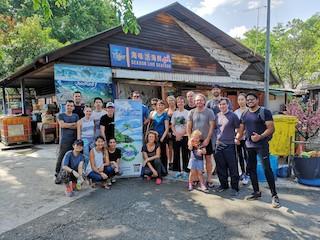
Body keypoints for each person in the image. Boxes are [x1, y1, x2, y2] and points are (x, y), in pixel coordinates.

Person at [236, 92, 280, 208]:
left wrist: (260, 136)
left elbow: (271, 129)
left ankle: (274, 195)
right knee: (251, 169)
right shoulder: (244, 113)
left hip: (262, 145)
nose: (249, 101)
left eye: (252, 99)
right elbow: (241, 129)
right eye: (248, 100)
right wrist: (237, 138)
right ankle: (256, 192)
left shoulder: (264, 112)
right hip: (249, 146)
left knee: (267, 169)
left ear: (257, 100)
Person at [187, 94, 215, 188]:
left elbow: (212, 126)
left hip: (206, 139)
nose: (199, 102)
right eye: (197, 100)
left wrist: (208, 139)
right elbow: (188, 127)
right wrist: (190, 139)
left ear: (204, 101)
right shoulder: (191, 112)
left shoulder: (209, 112)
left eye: (200, 100)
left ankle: (209, 179)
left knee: (208, 159)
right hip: (195, 140)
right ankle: (195, 179)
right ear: (195, 102)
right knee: (195, 160)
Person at [214, 98, 240, 196]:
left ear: (228, 105)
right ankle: (223, 185)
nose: (222, 106)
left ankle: (235, 187)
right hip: (219, 145)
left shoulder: (233, 116)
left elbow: (240, 127)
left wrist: (237, 137)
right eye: (220, 104)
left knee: (232, 167)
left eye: (224, 104)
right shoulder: (217, 116)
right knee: (220, 166)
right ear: (218, 106)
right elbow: (216, 129)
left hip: (230, 145)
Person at [55, 100, 79, 184]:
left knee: (72, 157)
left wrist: (67, 125)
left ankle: (69, 175)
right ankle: (57, 174)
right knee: (61, 157)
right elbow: (62, 125)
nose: (69, 107)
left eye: (71, 106)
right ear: (65, 106)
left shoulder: (76, 115)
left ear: (73, 107)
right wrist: (72, 125)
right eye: (68, 105)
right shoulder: (61, 115)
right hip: (65, 140)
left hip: (74, 140)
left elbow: (77, 126)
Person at [171, 96, 189, 178]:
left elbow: (188, 125)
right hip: (176, 136)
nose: (180, 103)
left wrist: (181, 134)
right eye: (178, 102)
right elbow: (172, 125)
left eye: (182, 102)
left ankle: (185, 170)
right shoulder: (175, 113)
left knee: (185, 154)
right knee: (176, 153)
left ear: (184, 103)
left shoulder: (187, 112)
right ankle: (177, 170)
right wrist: (176, 134)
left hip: (185, 136)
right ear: (177, 104)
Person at [150, 100, 169, 174]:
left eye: (162, 105)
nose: (160, 106)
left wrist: (162, 138)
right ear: (156, 106)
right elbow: (151, 126)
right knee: (155, 155)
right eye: (158, 105)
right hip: (154, 137)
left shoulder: (165, 115)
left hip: (162, 137)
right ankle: (156, 171)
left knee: (163, 154)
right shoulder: (153, 114)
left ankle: (164, 171)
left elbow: (167, 128)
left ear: (164, 106)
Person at [234, 93, 249, 185]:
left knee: (247, 156)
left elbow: (249, 125)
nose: (240, 101)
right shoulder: (236, 112)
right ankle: (243, 172)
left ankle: (248, 174)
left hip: (247, 138)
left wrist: (242, 133)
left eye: (242, 99)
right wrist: (237, 135)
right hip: (238, 138)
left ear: (246, 100)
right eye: (239, 100)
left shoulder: (249, 110)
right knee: (239, 156)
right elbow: (235, 125)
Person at [77, 106, 95, 170]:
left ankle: (93, 168)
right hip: (85, 139)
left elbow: (94, 130)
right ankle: (86, 169)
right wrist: (79, 142)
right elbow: (78, 133)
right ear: (84, 112)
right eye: (87, 111)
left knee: (94, 154)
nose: (88, 112)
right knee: (86, 155)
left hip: (92, 139)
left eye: (90, 111)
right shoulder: (80, 121)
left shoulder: (93, 120)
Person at [165, 95, 176, 170]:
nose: (170, 102)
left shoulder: (177, 109)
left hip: (177, 130)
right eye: (169, 100)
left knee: (176, 148)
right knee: (170, 148)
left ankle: (176, 162)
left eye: (172, 100)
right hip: (168, 131)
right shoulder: (166, 110)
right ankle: (170, 162)